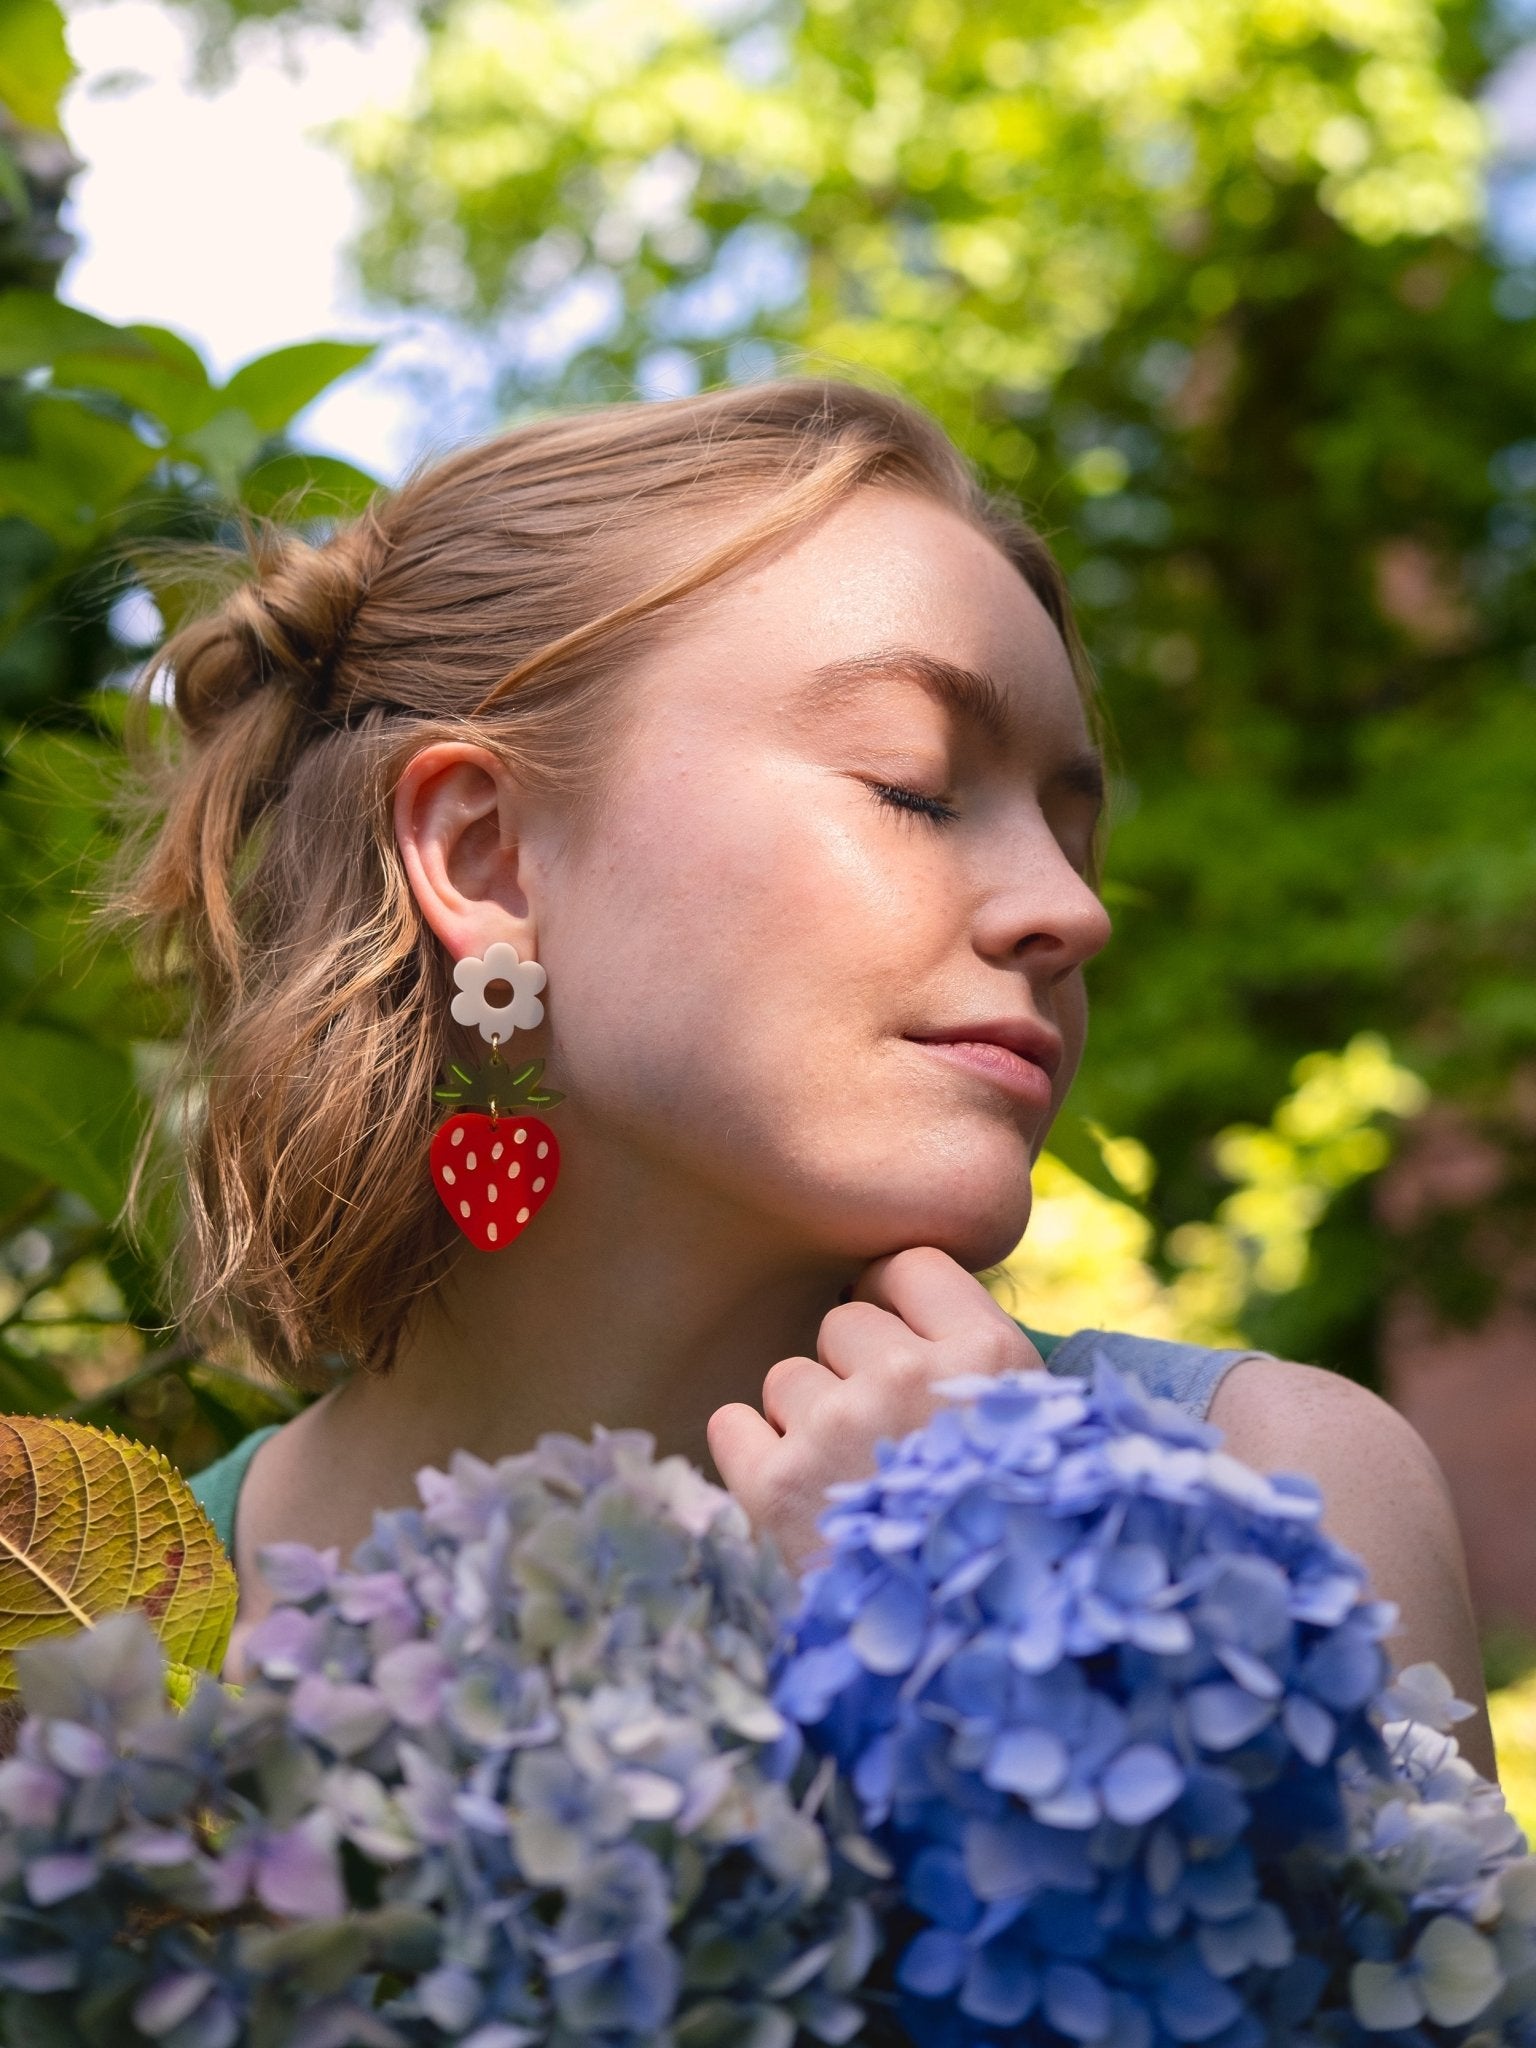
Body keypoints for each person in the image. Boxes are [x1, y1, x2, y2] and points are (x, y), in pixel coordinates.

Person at [120, 379, 1494, 1773]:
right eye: (914, 786)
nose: (1074, 912)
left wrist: (978, 1644)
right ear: (486, 857)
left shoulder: (1275, 1501)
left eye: (1074, 837)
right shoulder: (91, 1645)